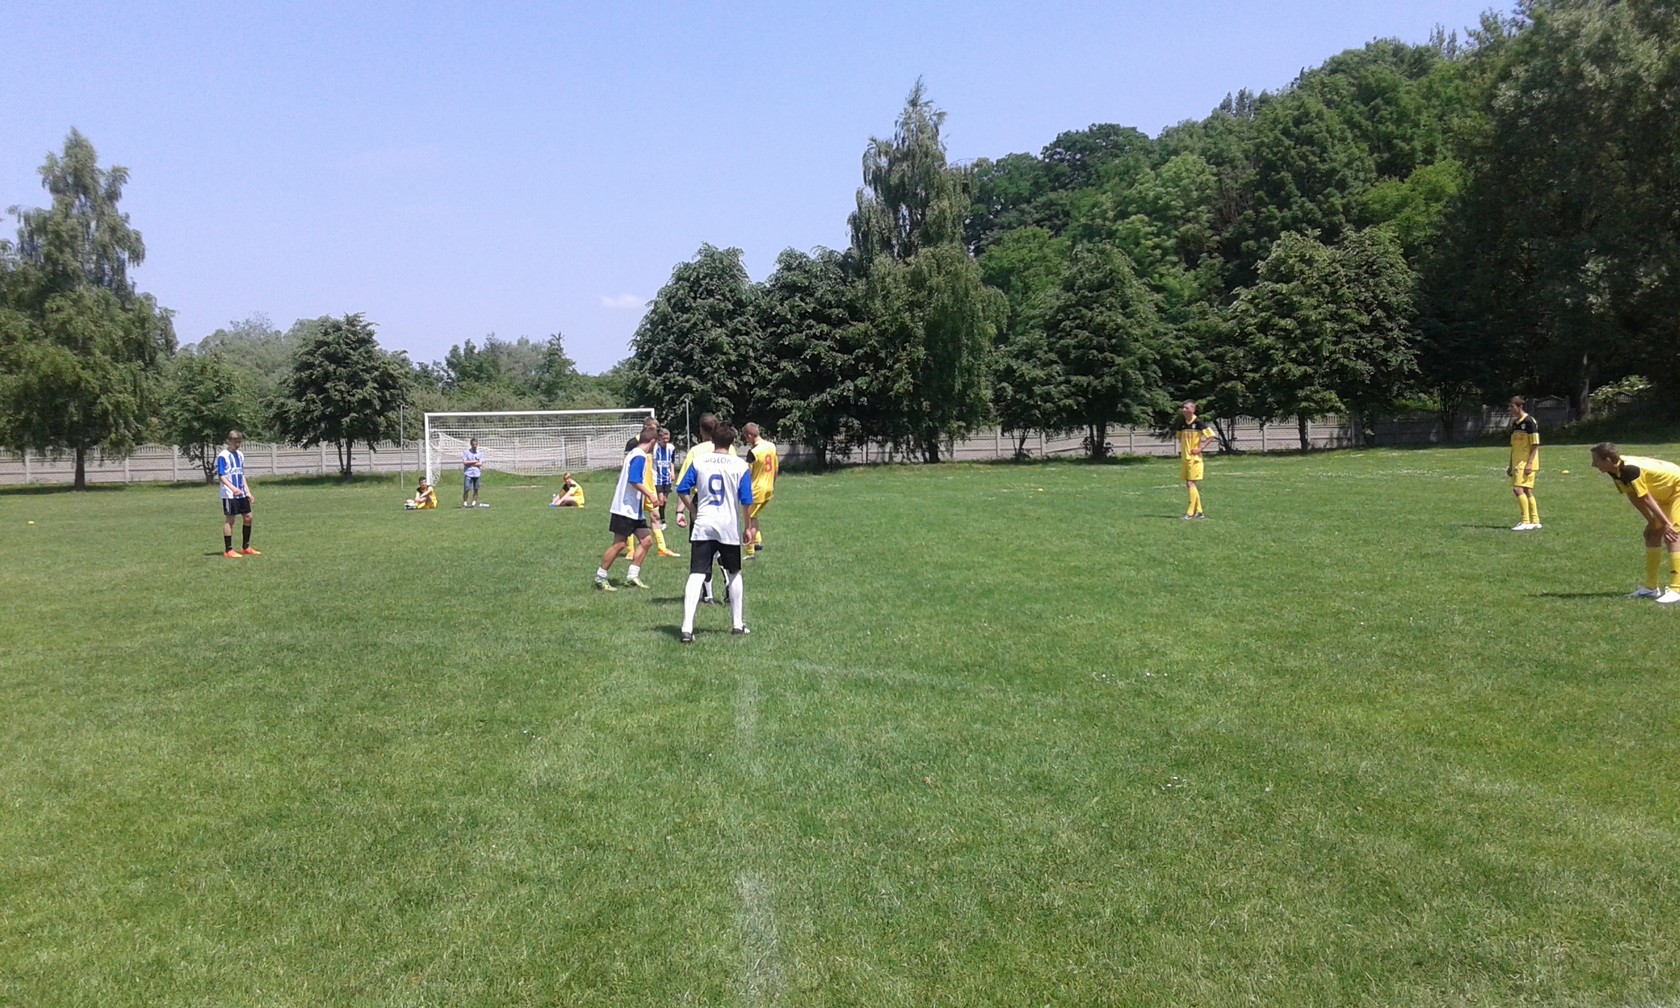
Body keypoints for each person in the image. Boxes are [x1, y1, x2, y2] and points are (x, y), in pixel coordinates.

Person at [675, 422, 753, 642]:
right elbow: (746, 500)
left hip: (703, 525)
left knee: (696, 573)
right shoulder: (740, 465)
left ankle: (686, 628)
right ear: (733, 442)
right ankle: (737, 624)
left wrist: (692, 511)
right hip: (728, 526)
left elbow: (682, 489)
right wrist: (748, 526)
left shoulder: (700, 461)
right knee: (734, 572)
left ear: (712, 440)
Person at [1589, 442, 1680, 603]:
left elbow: (1646, 498)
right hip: (1666, 493)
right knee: (1651, 534)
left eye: (1596, 460)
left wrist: (1666, 524)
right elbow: (1633, 495)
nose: (1593, 464)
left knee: (1672, 535)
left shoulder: (1630, 470)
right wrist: (1651, 521)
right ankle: (1651, 588)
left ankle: (1677, 588)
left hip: (1676, 488)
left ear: (1608, 460)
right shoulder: (1615, 471)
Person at [594, 428, 661, 591]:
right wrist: (651, 495)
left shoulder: (634, 453)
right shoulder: (639, 456)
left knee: (646, 541)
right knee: (619, 545)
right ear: (653, 442)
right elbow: (634, 480)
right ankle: (600, 577)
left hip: (633, 509)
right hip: (625, 508)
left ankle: (632, 576)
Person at [216, 430, 259, 557]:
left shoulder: (240, 455)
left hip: (242, 493)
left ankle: (246, 547)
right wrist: (233, 488)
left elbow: (241, 474)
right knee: (230, 519)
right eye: (235, 442)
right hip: (229, 494)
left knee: (248, 517)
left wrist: (248, 492)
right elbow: (221, 476)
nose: (237, 444)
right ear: (229, 441)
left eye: (239, 442)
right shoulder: (223, 456)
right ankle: (228, 550)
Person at [1171, 400, 1215, 519]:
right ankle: (1199, 511)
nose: (1184, 410)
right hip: (1185, 458)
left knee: (1191, 483)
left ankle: (1190, 513)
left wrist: (1200, 448)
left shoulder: (1198, 422)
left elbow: (1211, 435)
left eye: (1187, 408)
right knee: (1189, 484)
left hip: (1194, 459)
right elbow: (1179, 437)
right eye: (1183, 408)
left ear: (1193, 409)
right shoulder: (1182, 423)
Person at [742, 422, 778, 557]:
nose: (746, 440)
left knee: (749, 519)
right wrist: (772, 485)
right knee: (754, 514)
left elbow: (747, 475)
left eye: (746, 437)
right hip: (768, 488)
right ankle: (757, 542)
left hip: (756, 489)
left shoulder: (753, 452)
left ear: (749, 436)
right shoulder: (771, 446)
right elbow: (776, 468)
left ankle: (750, 551)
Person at [1507, 396, 1541, 530]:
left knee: (1518, 489)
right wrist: (1511, 464)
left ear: (1519, 407)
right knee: (1526, 490)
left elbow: (1535, 444)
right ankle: (1535, 521)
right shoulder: (1515, 424)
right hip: (1517, 462)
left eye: (1512, 406)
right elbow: (1513, 446)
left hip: (1526, 462)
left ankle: (1525, 521)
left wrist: (1529, 463)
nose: (1510, 409)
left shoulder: (1529, 422)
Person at [648, 426, 680, 557]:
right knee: (660, 499)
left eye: (668, 438)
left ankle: (661, 519)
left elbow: (671, 461)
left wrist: (672, 472)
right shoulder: (654, 448)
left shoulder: (671, 448)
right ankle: (661, 520)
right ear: (659, 438)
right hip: (657, 478)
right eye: (664, 439)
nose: (666, 441)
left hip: (666, 477)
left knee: (665, 500)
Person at [462, 438, 485, 508]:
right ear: (471, 444)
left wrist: (470, 463)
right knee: (466, 488)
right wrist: (475, 461)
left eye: (476, 444)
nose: (475, 446)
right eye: (473, 444)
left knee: (476, 488)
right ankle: (465, 502)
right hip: (468, 473)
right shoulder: (466, 452)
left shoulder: (480, 453)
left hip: (477, 473)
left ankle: (474, 502)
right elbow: (465, 462)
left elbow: (480, 463)